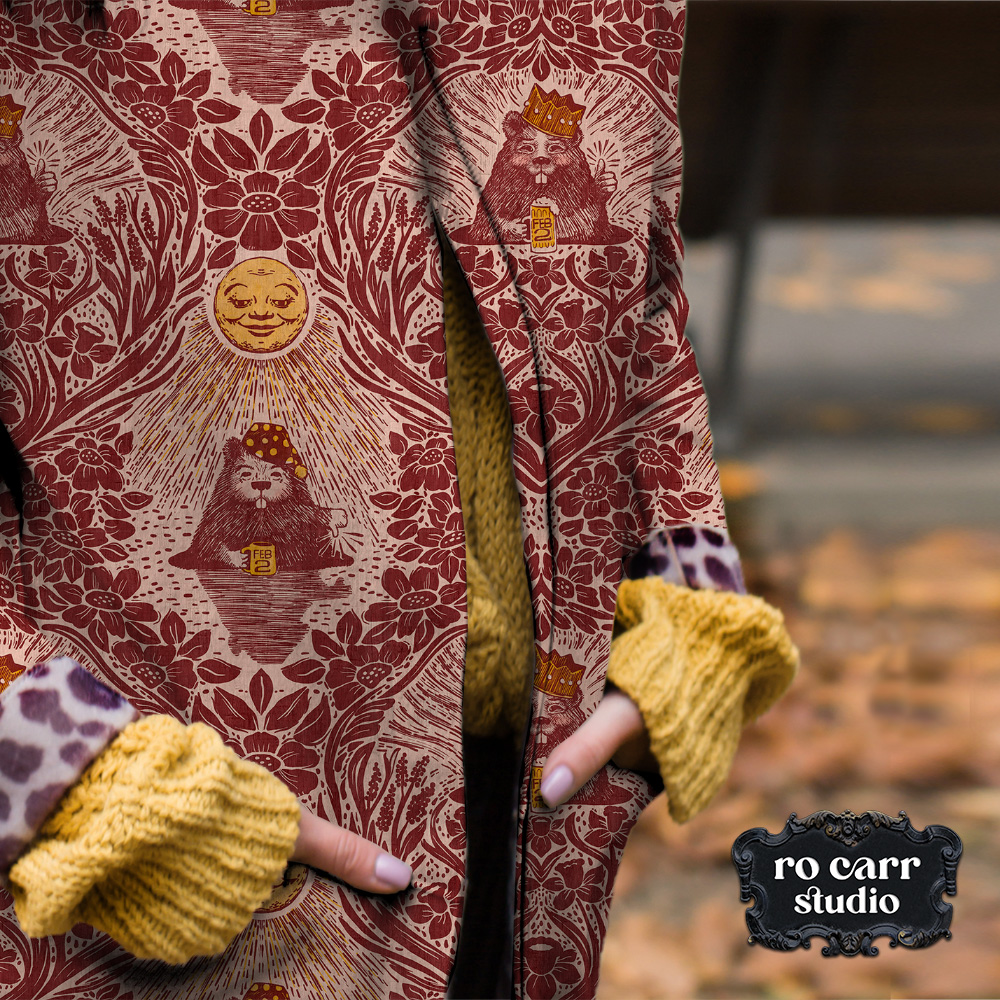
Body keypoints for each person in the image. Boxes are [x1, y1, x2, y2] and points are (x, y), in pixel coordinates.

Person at [0, 1, 799, 997]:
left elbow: (633, 292)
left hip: (523, 826)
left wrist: (686, 596)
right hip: (149, 872)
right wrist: (62, 766)